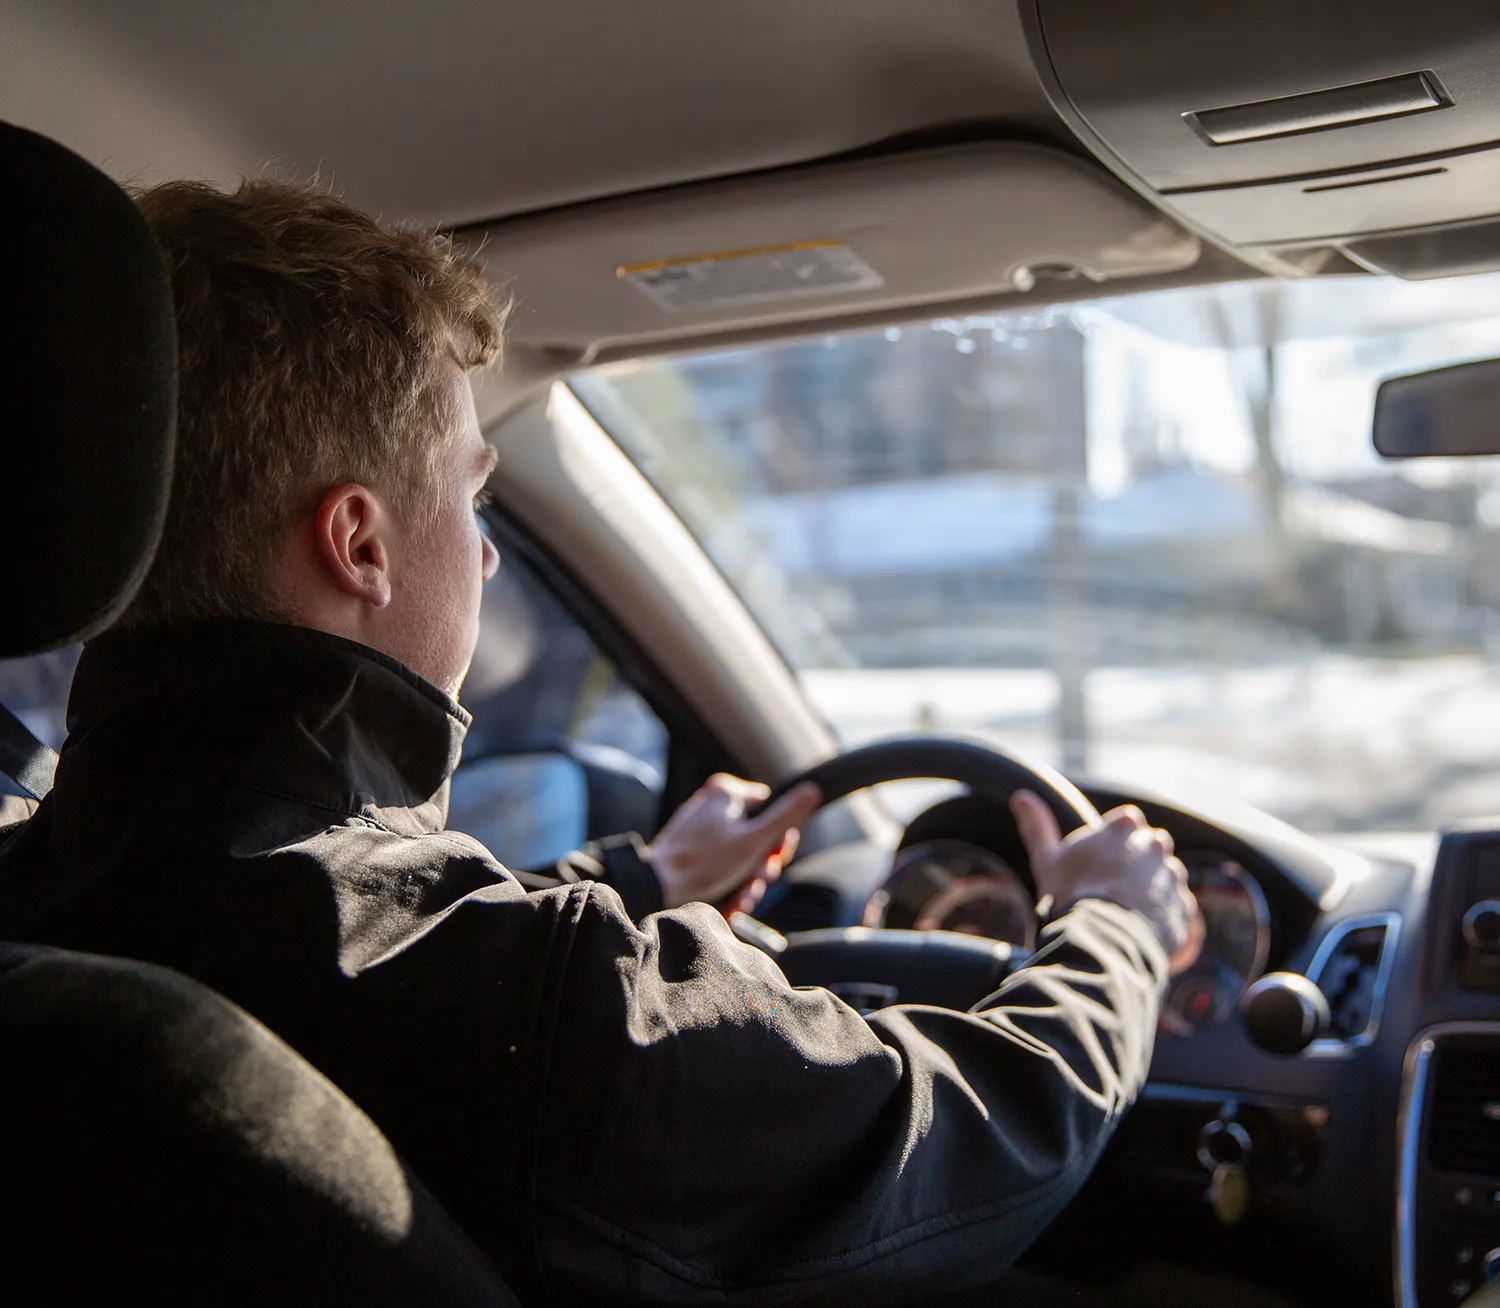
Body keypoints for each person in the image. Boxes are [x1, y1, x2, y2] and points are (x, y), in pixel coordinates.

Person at [0, 179, 1202, 1305]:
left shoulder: (37, 889)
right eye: (472, 496)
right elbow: (955, 1145)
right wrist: (1119, 935)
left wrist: (645, 878)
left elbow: (335, 925)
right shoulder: (553, 1023)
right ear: (360, 546)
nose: (485, 553)